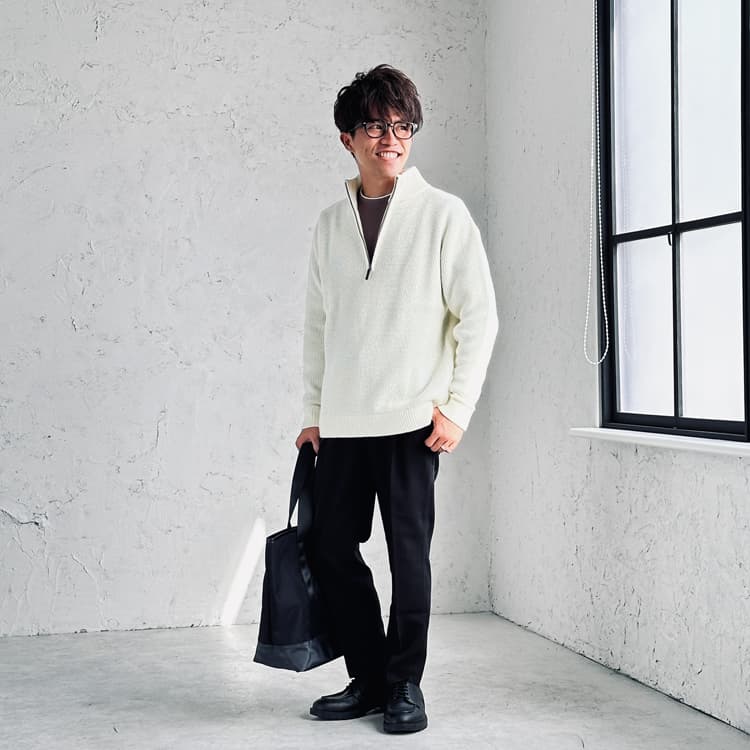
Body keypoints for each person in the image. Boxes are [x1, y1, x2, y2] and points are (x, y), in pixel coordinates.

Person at [294, 64, 498, 735]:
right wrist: (313, 416)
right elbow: (318, 328)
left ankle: (404, 684)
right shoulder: (330, 225)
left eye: (402, 126)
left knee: (410, 560)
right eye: (376, 126)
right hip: (343, 424)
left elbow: (479, 317)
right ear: (347, 138)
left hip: (415, 422)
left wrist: (457, 409)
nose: (391, 138)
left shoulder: (443, 215)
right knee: (330, 549)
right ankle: (370, 677)